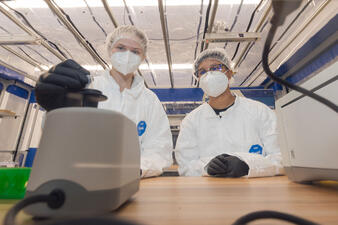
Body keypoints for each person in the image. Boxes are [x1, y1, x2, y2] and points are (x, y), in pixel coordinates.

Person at [35, 25, 173, 178]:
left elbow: (159, 148)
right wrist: (53, 110)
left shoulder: (150, 101)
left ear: (143, 57)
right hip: (79, 177)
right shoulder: (87, 88)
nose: (127, 55)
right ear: (109, 50)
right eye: (121, 48)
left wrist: (132, 169)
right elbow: (57, 136)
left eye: (135, 51)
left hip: (132, 181)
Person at [175, 48, 283, 177]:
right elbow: (186, 166)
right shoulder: (191, 121)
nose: (209, 75)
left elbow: (281, 157)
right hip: (209, 193)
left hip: (254, 192)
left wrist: (248, 165)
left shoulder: (260, 112)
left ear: (229, 73)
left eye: (215, 68)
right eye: (202, 72)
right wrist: (206, 168)